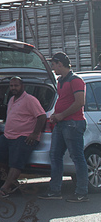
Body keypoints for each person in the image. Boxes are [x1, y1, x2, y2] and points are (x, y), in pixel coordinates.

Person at [42, 51, 89, 202]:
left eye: (54, 65)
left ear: (60, 64)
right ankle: (54, 190)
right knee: (55, 155)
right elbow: (63, 100)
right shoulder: (61, 80)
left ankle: (82, 192)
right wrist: (56, 115)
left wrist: (62, 115)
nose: (53, 68)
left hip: (73, 123)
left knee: (77, 157)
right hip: (61, 123)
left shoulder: (76, 80)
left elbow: (79, 102)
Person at [0, 77, 47, 197]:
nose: (13, 88)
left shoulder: (30, 100)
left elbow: (42, 116)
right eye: (11, 86)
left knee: (16, 162)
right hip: (8, 136)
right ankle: (13, 182)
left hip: (24, 137)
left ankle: (5, 188)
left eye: (16, 86)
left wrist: (34, 134)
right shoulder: (11, 99)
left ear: (22, 86)